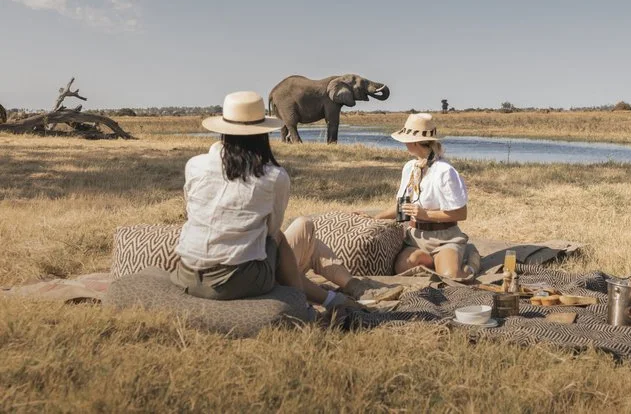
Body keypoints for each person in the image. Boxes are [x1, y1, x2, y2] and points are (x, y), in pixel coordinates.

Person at [171, 91, 362, 310]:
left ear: (224, 130)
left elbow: (190, 210)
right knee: (279, 238)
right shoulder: (273, 177)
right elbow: (271, 232)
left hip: (187, 273)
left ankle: (330, 298)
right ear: (262, 133)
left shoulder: (194, 165)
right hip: (237, 281)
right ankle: (306, 303)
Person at [362, 113, 474, 279]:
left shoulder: (445, 171)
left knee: (451, 277)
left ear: (413, 142)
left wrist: (425, 214)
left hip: (445, 238)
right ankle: (436, 262)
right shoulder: (410, 167)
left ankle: (469, 258)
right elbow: (403, 208)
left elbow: (460, 213)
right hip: (415, 237)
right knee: (403, 268)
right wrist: (375, 218)